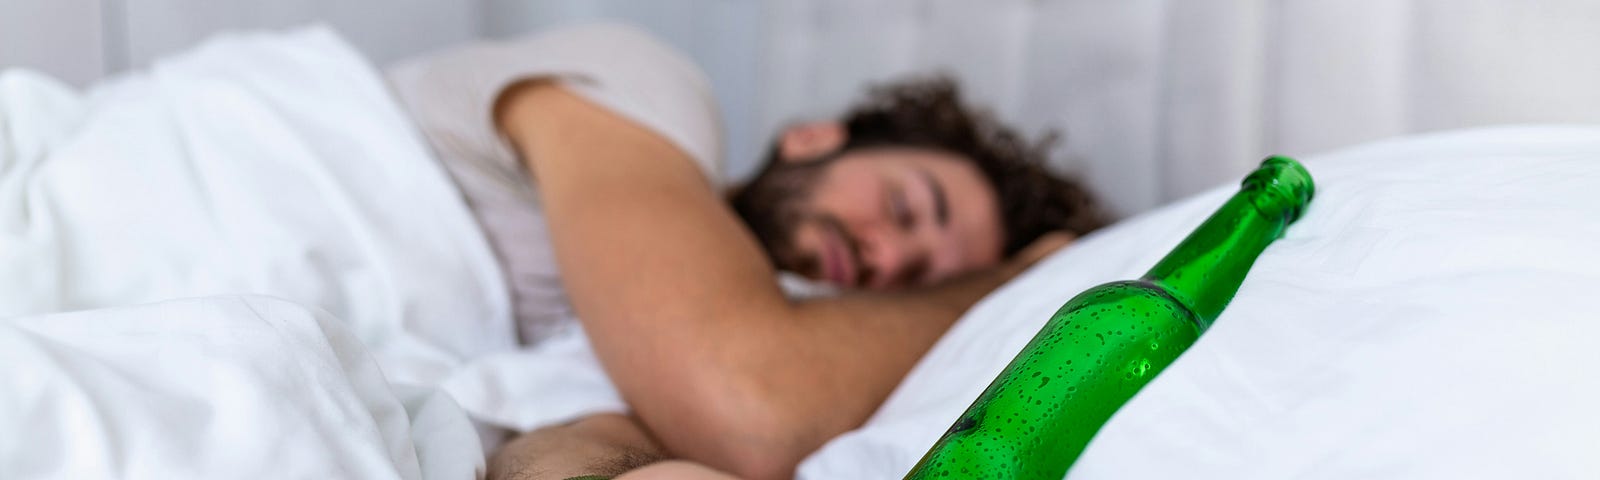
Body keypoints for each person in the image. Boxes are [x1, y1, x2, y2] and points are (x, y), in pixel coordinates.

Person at [386, 23, 1103, 480]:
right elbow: (753, 410)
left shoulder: (634, 364)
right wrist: (1010, 279)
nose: (884, 257)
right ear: (816, 138)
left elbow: (577, 439)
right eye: (903, 206)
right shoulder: (640, 85)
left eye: (915, 281)